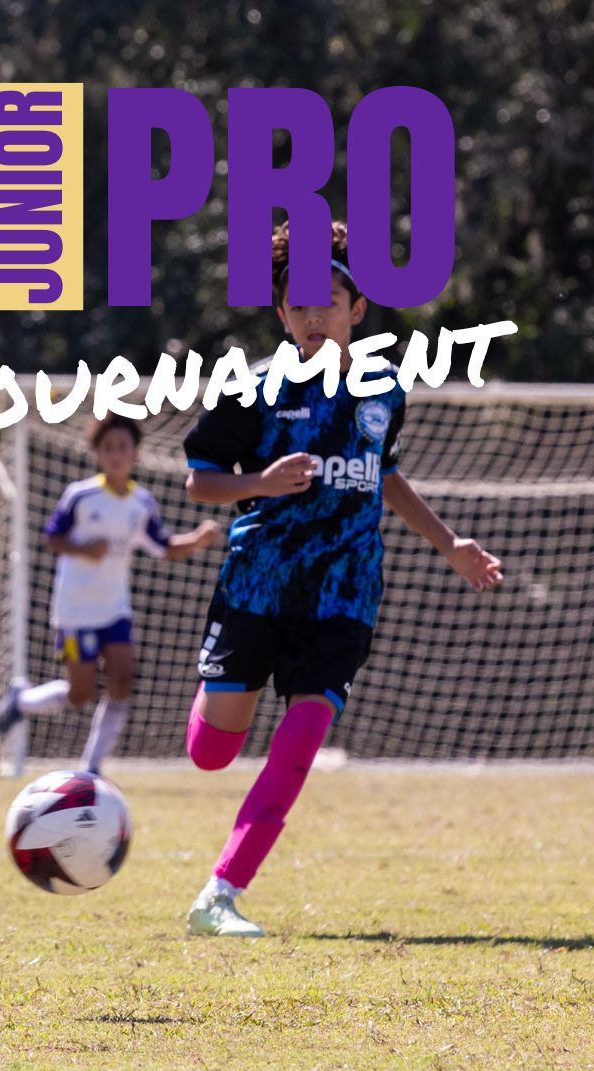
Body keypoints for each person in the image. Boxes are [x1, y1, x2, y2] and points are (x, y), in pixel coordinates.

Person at [179, 220, 502, 936]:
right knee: (211, 753)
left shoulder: (384, 388)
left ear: (357, 308)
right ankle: (215, 700)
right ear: (281, 315)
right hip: (257, 585)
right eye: (299, 304)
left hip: (344, 594)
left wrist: (450, 544)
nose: (314, 315)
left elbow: (381, 473)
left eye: (329, 300)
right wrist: (259, 481)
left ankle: (220, 895)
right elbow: (202, 482)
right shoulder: (252, 387)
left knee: (298, 745)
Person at [0, 416, 221, 777]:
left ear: (135, 454)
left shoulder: (141, 503)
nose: (116, 454)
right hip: (74, 612)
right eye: (108, 447)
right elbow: (52, 537)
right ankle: (21, 701)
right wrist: (83, 548)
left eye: (122, 447)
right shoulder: (79, 496)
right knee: (80, 694)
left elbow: (164, 546)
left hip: (115, 611)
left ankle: (92, 767)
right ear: (97, 454)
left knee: (123, 680)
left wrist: (197, 539)